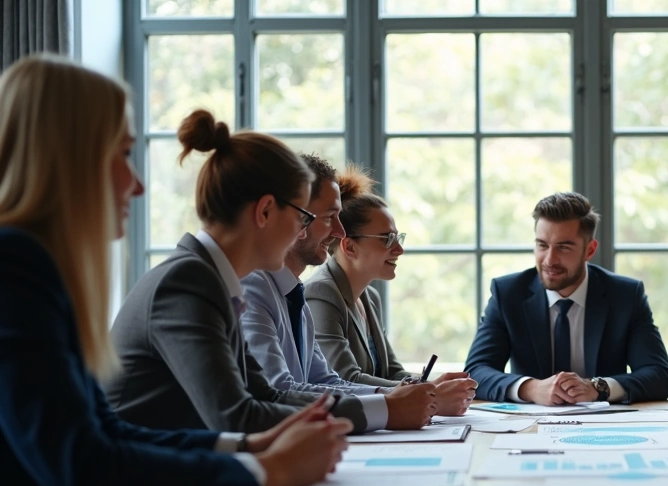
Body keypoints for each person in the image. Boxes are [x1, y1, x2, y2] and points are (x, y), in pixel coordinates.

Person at [0, 55, 348, 486]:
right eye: (121, 155)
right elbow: (84, 466)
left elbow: (107, 432)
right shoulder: (16, 268)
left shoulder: (37, 269)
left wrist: (250, 447)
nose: (137, 185)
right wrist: (265, 471)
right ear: (69, 159)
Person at [107, 110, 437, 434]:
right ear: (265, 211)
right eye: (303, 218)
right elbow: (238, 416)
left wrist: (388, 404)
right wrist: (387, 409)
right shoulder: (187, 283)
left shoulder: (213, 281)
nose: (302, 232)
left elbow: (263, 396)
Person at [241, 154, 476, 418]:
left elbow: (328, 382)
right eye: (330, 217)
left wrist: (416, 395)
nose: (340, 232)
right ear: (297, 218)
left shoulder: (294, 293)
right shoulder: (258, 288)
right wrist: (399, 404)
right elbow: (279, 390)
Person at [464, 192, 668, 405]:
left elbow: (658, 376)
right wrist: (532, 388)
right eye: (542, 245)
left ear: (589, 250)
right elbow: (475, 372)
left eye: (563, 247)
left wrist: (597, 388)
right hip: (529, 427)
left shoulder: (626, 296)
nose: (549, 260)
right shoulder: (508, 294)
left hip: (604, 427)